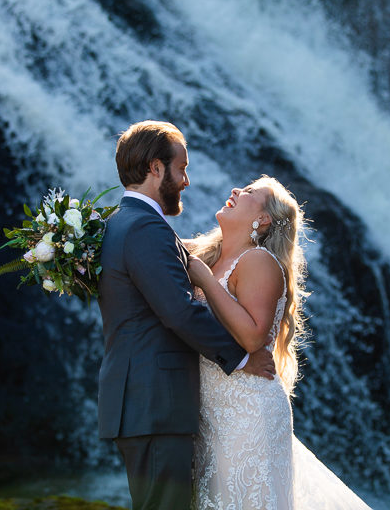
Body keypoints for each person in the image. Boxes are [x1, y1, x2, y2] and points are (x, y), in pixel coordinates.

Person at [96, 120, 275, 510]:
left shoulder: (121, 223)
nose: (186, 181)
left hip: (143, 402)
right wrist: (242, 358)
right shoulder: (144, 227)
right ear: (155, 169)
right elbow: (178, 313)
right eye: (182, 168)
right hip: (154, 404)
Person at [186, 176, 373, 509]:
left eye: (249, 193)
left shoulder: (258, 261)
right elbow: (156, 242)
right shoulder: (209, 256)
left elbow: (253, 336)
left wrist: (203, 279)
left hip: (247, 412)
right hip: (214, 414)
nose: (235, 192)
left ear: (264, 219)